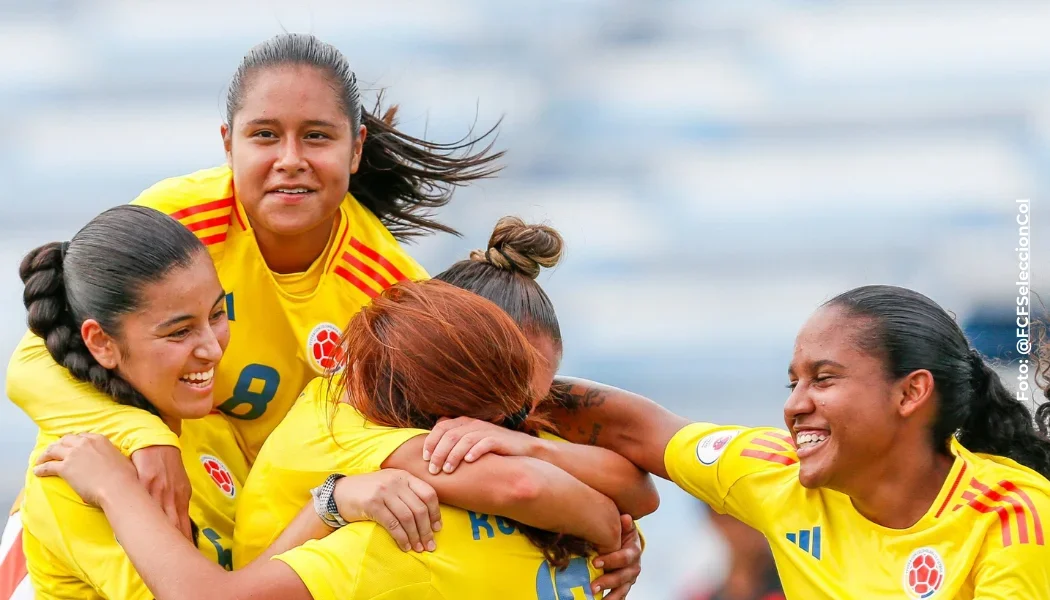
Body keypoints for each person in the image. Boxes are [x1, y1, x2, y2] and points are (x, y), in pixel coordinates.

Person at [5, 31, 501, 542]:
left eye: (316, 136)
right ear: (228, 144)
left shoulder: (391, 293)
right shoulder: (177, 224)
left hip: (260, 545)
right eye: (264, 135)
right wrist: (143, 437)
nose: (290, 159)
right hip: (107, 512)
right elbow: (37, 362)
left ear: (355, 150)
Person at [428, 285, 1050, 597]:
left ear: (911, 394)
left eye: (824, 379)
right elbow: (636, 430)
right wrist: (484, 402)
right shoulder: (775, 473)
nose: (794, 404)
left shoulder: (1015, 520)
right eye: (792, 381)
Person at [34, 279, 637, 600]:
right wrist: (609, 528)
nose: (215, 347)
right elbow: (630, 490)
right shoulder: (555, 522)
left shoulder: (396, 537)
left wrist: (117, 491)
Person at [13, 206, 443, 599]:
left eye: (217, 315)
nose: (213, 350)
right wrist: (331, 505)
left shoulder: (207, 424)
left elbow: (246, 582)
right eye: (179, 332)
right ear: (101, 342)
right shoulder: (76, 477)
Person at [232, 217, 654, 598]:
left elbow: (639, 491)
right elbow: (525, 487)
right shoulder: (340, 424)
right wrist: (608, 527)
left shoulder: (473, 417)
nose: (523, 416)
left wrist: (534, 447)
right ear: (451, 362)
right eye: (512, 399)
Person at [683, 503, 784, 600]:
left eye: (751, 514)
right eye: (733, 516)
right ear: (714, 518)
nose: (746, 524)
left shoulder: (793, 585)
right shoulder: (701, 594)